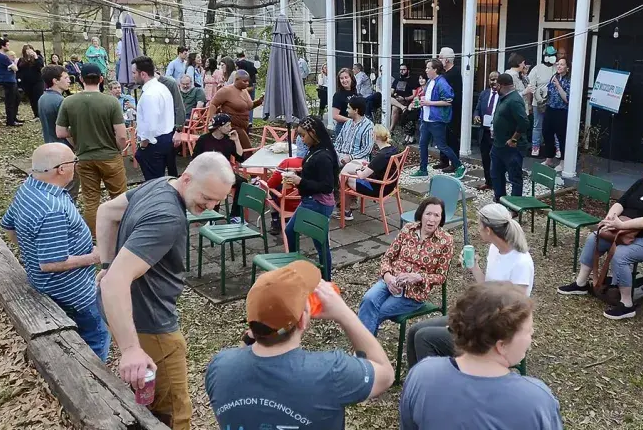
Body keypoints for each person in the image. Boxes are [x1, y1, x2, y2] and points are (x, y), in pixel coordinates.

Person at [97, 152, 235, 430]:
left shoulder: (159, 184)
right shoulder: (168, 217)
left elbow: (107, 212)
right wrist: (131, 349)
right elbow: (114, 283)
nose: (210, 206)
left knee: (150, 397)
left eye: (218, 201)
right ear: (187, 179)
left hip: (127, 312)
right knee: (174, 411)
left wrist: (108, 263)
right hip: (150, 323)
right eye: (207, 197)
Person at [205, 262, 395, 429]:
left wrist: (252, 336)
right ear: (303, 321)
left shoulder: (219, 367)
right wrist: (344, 314)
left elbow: (242, 363)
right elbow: (385, 374)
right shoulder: (331, 372)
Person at [400, 282, 564, 430]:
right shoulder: (535, 401)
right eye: (528, 331)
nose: (532, 334)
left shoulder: (422, 375)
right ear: (501, 345)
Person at [1, 143, 109, 361]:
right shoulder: (52, 209)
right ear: (61, 169)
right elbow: (51, 263)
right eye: (74, 161)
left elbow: (8, 226)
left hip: (47, 284)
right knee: (98, 336)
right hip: (74, 293)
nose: (76, 165)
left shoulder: (29, 188)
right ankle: (92, 376)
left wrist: (32, 250)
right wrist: (94, 257)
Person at [557, 151, 643, 320]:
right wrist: (610, 219)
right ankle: (581, 284)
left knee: (621, 254)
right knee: (594, 238)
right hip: (624, 232)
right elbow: (621, 202)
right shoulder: (642, 184)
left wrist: (622, 225)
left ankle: (627, 304)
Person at [406, 203, 534, 367]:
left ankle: (435, 380)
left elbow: (518, 311)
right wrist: (474, 266)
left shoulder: (521, 262)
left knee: (424, 338)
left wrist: (471, 322)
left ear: (488, 230)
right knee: (414, 331)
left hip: (496, 332)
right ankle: (415, 378)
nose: (478, 230)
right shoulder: (495, 249)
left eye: (479, 226)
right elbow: (488, 287)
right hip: (480, 317)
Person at [357, 196, 452, 334]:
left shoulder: (445, 241)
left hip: (414, 293)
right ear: (421, 214)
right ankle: (364, 346)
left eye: (436, 215)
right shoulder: (408, 229)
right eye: (428, 214)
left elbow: (441, 276)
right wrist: (388, 278)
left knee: (376, 312)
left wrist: (419, 277)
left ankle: (362, 347)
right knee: (368, 300)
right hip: (392, 280)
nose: (431, 219)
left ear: (441, 218)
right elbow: (387, 257)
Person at [56, 63, 128, 234]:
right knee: (120, 198)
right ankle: (122, 233)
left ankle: (95, 237)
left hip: (84, 158)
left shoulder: (68, 102)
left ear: (81, 79)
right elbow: (121, 135)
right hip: (110, 157)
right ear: (101, 79)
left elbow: (60, 132)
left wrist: (77, 137)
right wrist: (119, 149)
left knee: (91, 200)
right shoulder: (111, 102)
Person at [279, 116, 339, 279]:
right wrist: (298, 175)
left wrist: (300, 181)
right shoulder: (315, 149)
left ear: (313, 133)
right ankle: (297, 269)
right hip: (310, 200)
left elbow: (327, 186)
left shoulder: (324, 156)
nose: (301, 139)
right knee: (291, 231)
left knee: (320, 244)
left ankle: (326, 280)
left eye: (303, 135)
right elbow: (313, 174)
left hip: (318, 203)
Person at [410, 59, 465, 179]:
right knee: (422, 145)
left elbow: (448, 101)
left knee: (442, 146)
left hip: (436, 120)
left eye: (428, 68)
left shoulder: (442, 83)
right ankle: (423, 169)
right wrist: (419, 102)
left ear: (435, 69)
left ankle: (459, 166)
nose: (426, 70)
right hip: (425, 119)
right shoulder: (430, 81)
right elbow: (427, 98)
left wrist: (429, 103)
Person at [192, 113, 246, 223]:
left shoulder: (228, 140)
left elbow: (240, 158)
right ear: (219, 127)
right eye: (227, 125)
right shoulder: (204, 139)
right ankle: (212, 215)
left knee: (242, 182)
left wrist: (236, 140)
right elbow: (195, 160)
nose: (230, 128)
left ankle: (235, 215)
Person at [338, 125, 399, 221]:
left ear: (375, 136)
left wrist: (357, 169)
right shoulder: (393, 149)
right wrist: (366, 166)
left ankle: (346, 210)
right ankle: (347, 204)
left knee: (345, 176)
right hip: (389, 185)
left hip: (377, 189)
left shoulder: (381, 156)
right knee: (352, 165)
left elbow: (362, 176)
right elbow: (382, 166)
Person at [132, 56, 175, 181]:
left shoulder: (150, 94)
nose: (133, 76)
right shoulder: (162, 88)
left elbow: (151, 125)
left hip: (154, 143)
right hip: (166, 138)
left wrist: (143, 144)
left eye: (134, 73)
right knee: (159, 180)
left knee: (154, 183)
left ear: (143, 74)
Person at [491, 72, 530, 203]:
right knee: (496, 174)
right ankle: (500, 200)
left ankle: (514, 206)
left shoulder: (514, 100)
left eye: (497, 85)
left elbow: (524, 122)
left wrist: (514, 139)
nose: (495, 88)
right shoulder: (503, 97)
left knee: (514, 177)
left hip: (512, 147)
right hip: (498, 144)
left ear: (501, 85)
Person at [206, 69, 262, 148]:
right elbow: (213, 104)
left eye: (248, 81)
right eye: (244, 81)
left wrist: (259, 101)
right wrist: (212, 121)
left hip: (244, 125)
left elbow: (247, 107)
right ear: (236, 80)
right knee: (248, 149)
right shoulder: (226, 91)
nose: (247, 83)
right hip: (232, 126)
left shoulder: (244, 91)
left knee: (238, 150)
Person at [436, 47, 463, 171]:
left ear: (446, 60)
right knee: (443, 135)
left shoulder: (454, 73)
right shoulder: (444, 73)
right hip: (443, 110)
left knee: (452, 137)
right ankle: (444, 160)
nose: (438, 59)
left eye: (440, 57)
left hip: (452, 110)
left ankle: (454, 162)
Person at [262, 154, 303, 236]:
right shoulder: (317, 161)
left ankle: (275, 221)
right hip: (306, 204)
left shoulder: (287, 163)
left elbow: (270, 184)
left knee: (271, 190)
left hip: (287, 204)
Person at [541, 57, 570, 170]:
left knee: (561, 136)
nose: (559, 66)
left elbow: (567, 99)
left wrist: (558, 85)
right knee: (546, 133)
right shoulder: (554, 77)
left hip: (561, 110)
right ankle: (549, 159)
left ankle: (563, 161)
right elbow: (548, 91)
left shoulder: (569, 80)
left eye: (562, 64)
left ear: (567, 67)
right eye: (558, 64)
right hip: (550, 108)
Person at [474, 71, 500, 191]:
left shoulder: (502, 95)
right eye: (491, 79)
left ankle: (498, 183)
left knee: (497, 159)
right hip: (484, 131)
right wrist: (476, 115)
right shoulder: (484, 93)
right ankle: (488, 182)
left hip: (497, 132)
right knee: (485, 159)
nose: (493, 81)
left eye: (496, 79)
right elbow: (477, 109)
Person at [528, 47, 556, 157]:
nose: (553, 57)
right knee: (537, 125)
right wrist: (531, 102)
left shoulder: (556, 68)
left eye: (554, 55)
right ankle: (535, 147)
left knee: (554, 126)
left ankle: (556, 148)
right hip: (538, 102)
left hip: (553, 102)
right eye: (551, 55)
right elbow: (531, 86)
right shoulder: (537, 69)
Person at [333, 96, 375, 167]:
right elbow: (339, 141)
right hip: (341, 156)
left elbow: (367, 149)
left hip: (357, 159)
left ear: (356, 110)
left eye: (348, 108)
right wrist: (333, 153)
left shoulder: (368, 126)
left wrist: (350, 157)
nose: (346, 110)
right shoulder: (347, 123)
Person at [0, 37, 22, 126]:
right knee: (10, 101)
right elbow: (15, 68)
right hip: (8, 80)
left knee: (17, 98)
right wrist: (13, 65)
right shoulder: (2, 56)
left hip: (10, 80)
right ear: (2, 46)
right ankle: (10, 121)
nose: (9, 46)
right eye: (7, 44)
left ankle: (13, 117)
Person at [38, 65, 71, 146]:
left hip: (49, 144)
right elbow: (65, 128)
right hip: (63, 146)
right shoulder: (60, 101)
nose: (69, 81)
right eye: (66, 78)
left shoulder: (42, 98)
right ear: (55, 81)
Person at [17, 44, 44, 120]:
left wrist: (36, 57)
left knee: (38, 98)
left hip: (37, 81)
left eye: (30, 49)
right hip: (26, 83)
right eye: (27, 49)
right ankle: (36, 114)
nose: (29, 51)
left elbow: (40, 67)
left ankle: (41, 114)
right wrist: (19, 79)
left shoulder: (38, 58)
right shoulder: (21, 60)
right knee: (31, 99)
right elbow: (19, 71)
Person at [402, 73, 427, 144]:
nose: (421, 80)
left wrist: (415, 105)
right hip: (416, 107)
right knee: (405, 114)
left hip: (423, 108)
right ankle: (408, 135)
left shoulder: (427, 89)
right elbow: (415, 100)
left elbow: (424, 101)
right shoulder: (418, 89)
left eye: (423, 78)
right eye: (420, 78)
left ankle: (410, 137)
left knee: (411, 116)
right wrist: (411, 105)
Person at [389, 63, 415, 133]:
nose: (401, 71)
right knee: (389, 98)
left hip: (406, 100)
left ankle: (391, 129)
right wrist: (393, 94)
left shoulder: (412, 80)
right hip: (396, 99)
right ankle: (403, 107)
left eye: (404, 70)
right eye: (400, 70)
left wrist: (404, 98)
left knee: (394, 108)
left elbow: (414, 95)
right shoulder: (397, 80)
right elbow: (391, 91)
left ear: (408, 70)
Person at [331, 68, 358, 135]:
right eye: (341, 78)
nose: (344, 80)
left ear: (351, 78)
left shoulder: (355, 92)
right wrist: (350, 121)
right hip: (343, 127)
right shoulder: (338, 95)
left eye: (346, 77)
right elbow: (335, 116)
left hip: (356, 126)